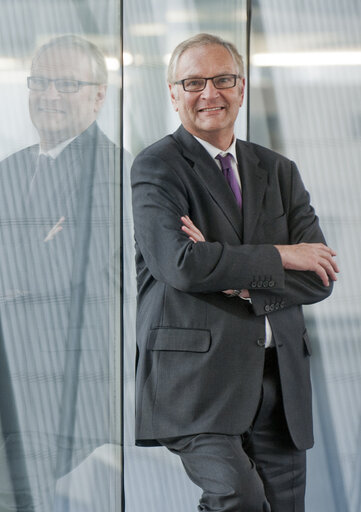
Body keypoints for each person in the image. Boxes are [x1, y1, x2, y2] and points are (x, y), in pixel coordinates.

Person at [131, 33, 339, 511]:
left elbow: (319, 275)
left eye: (223, 79)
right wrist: (282, 255)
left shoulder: (278, 170)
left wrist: (231, 271)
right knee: (237, 498)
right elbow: (180, 264)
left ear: (241, 87)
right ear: (173, 92)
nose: (210, 94)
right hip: (197, 381)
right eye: (194, 82)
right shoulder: (158, 167)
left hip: (278, 379)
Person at [0, 35, 121, 511]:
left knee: (8, 491)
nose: (49, 95)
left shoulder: (116, 172)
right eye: (40, 82)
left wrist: (13, 268)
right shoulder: (4, 172)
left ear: (98, 95)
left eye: (67, 84)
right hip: (3, 373)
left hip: (70, 380)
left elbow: (67, 266)